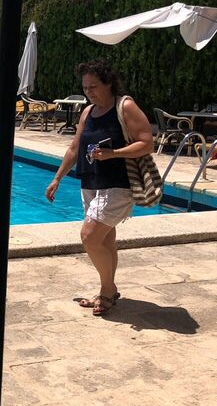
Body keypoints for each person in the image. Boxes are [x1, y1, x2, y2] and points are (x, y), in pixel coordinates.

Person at [44, 59, 154, 316]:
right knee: (105, 240)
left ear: (108, 83)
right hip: (92, 181)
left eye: (93, 86)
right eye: (85, 87)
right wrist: (57, 178)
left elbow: (147, 142)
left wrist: (113, 153)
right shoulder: (88, 112)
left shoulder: (125, 106)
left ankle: (107, 289)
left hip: (118, 183)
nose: (88, 92)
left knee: (89, 237)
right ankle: (108, 292)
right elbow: (74, 148)